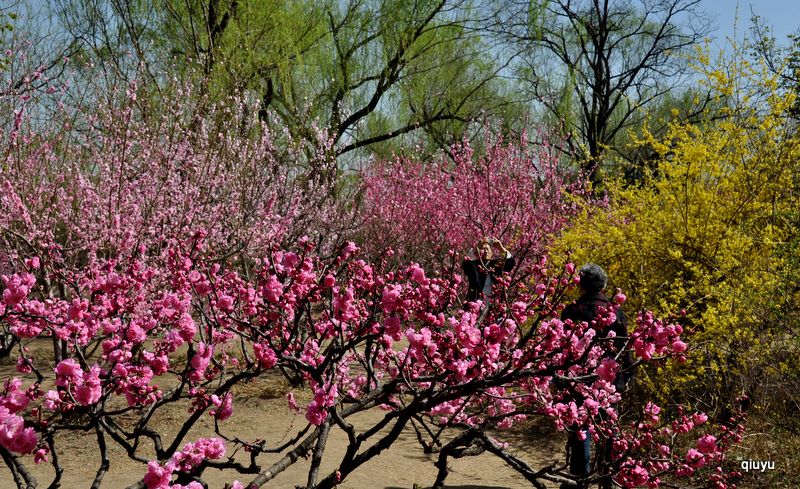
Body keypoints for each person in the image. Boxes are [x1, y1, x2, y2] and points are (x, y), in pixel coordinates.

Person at [560, 263, 633, 489]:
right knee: (609, 435)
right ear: (604, 285)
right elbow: (624, 351)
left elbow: (561, 352)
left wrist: (559, 380)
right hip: (610, 383)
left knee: (581, 433)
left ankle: (579, 482)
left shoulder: (571, 311)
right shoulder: (616, 312)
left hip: (578, 382)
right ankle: (606, 482)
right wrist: (626, 377)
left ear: (580, 284)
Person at [461, 237, 515, 305]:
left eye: (487, 249)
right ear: (479, 252)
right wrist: (476, 248)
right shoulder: (474, 265)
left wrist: (501, 248)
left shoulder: (496, 264)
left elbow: (511, 263)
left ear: (491, 252)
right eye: (483, 249)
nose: (486, 251)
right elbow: (465, 263)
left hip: (494, 303)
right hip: (475, 302)